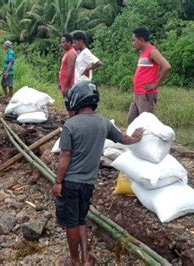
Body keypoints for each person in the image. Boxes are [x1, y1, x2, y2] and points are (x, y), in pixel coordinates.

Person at [51, 82, 144, 266]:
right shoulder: (103, 122)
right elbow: (123, 139)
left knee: (71, 223)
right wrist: (137, 137)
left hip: (70, 183)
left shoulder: (70, 124)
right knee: (81, 219)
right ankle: (86, 259)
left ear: (77, 100)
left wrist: (58, 182)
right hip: (88, 184)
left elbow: (65, 156)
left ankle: (74, 260)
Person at [127, 27, 171, 125]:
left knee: (146, 125)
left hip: (146, 95)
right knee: (131, 122)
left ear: (141, 40)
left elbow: (167, 67)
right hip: (138, 94)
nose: (132, 43)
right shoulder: (142, 52)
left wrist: (156, 84)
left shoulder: (152, 51)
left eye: (134, 40)